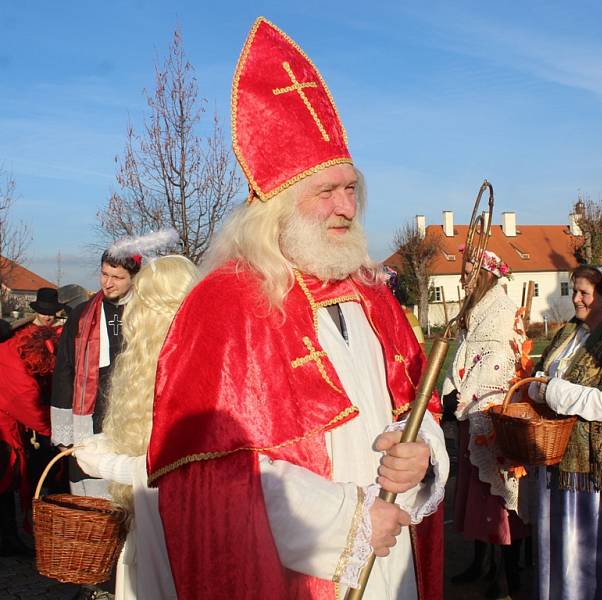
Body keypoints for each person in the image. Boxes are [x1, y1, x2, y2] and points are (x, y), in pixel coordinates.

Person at [146, 18, 447, 600]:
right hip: (300, 572)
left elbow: (419, 406)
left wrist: (424, 459)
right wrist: (353, 524)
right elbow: (217, 477)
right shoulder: (227, 303)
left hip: (393, 558)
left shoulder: (373, 293)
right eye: (325, 192)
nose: (344, 207)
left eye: (350, 189)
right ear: (278, 209)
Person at [73, 255, 196, 600]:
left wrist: (109, 465)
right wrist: (106, 442)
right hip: (150, 522)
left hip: (174, 534)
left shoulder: (188, 369)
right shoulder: (157, 360)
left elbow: (184, 469)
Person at [523, 265, 602, 600]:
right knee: (562, 541)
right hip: (561, 451)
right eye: (573, 291)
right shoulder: (570, 332)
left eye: (584, 293)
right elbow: (539, 375)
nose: (576, 299)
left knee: (590, 543)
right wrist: (543, 389)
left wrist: (552, 393)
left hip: (601, 460)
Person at [441, 250, 526, 597]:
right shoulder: (473, 310)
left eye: (468, 273)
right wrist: (451, 389)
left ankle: (509, 577)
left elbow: (499, 360)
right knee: (475, 499)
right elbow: (461, 356)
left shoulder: (501, 310)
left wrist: (467, 393)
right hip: (469, 412)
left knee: (499, 501)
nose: (463, 279)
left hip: (492, 417)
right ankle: (480, 563)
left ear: (486, 275)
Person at [50, 250, 140, 497]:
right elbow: (64, 372)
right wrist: (63, 431)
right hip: (91, 414)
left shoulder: (146, 312)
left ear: (134, 278)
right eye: (104, 274)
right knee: (92, 494)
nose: (108, 283)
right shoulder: (82, 315)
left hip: (132, 413)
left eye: (118, 277)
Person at [0, 324, 57, 555]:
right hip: (4, 435)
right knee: (3, 485)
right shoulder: (16, 373)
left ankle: (9, 539)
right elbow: (33, 411)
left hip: (6, 430)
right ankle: (8, 541)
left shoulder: (11, 351)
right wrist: (62, 433)